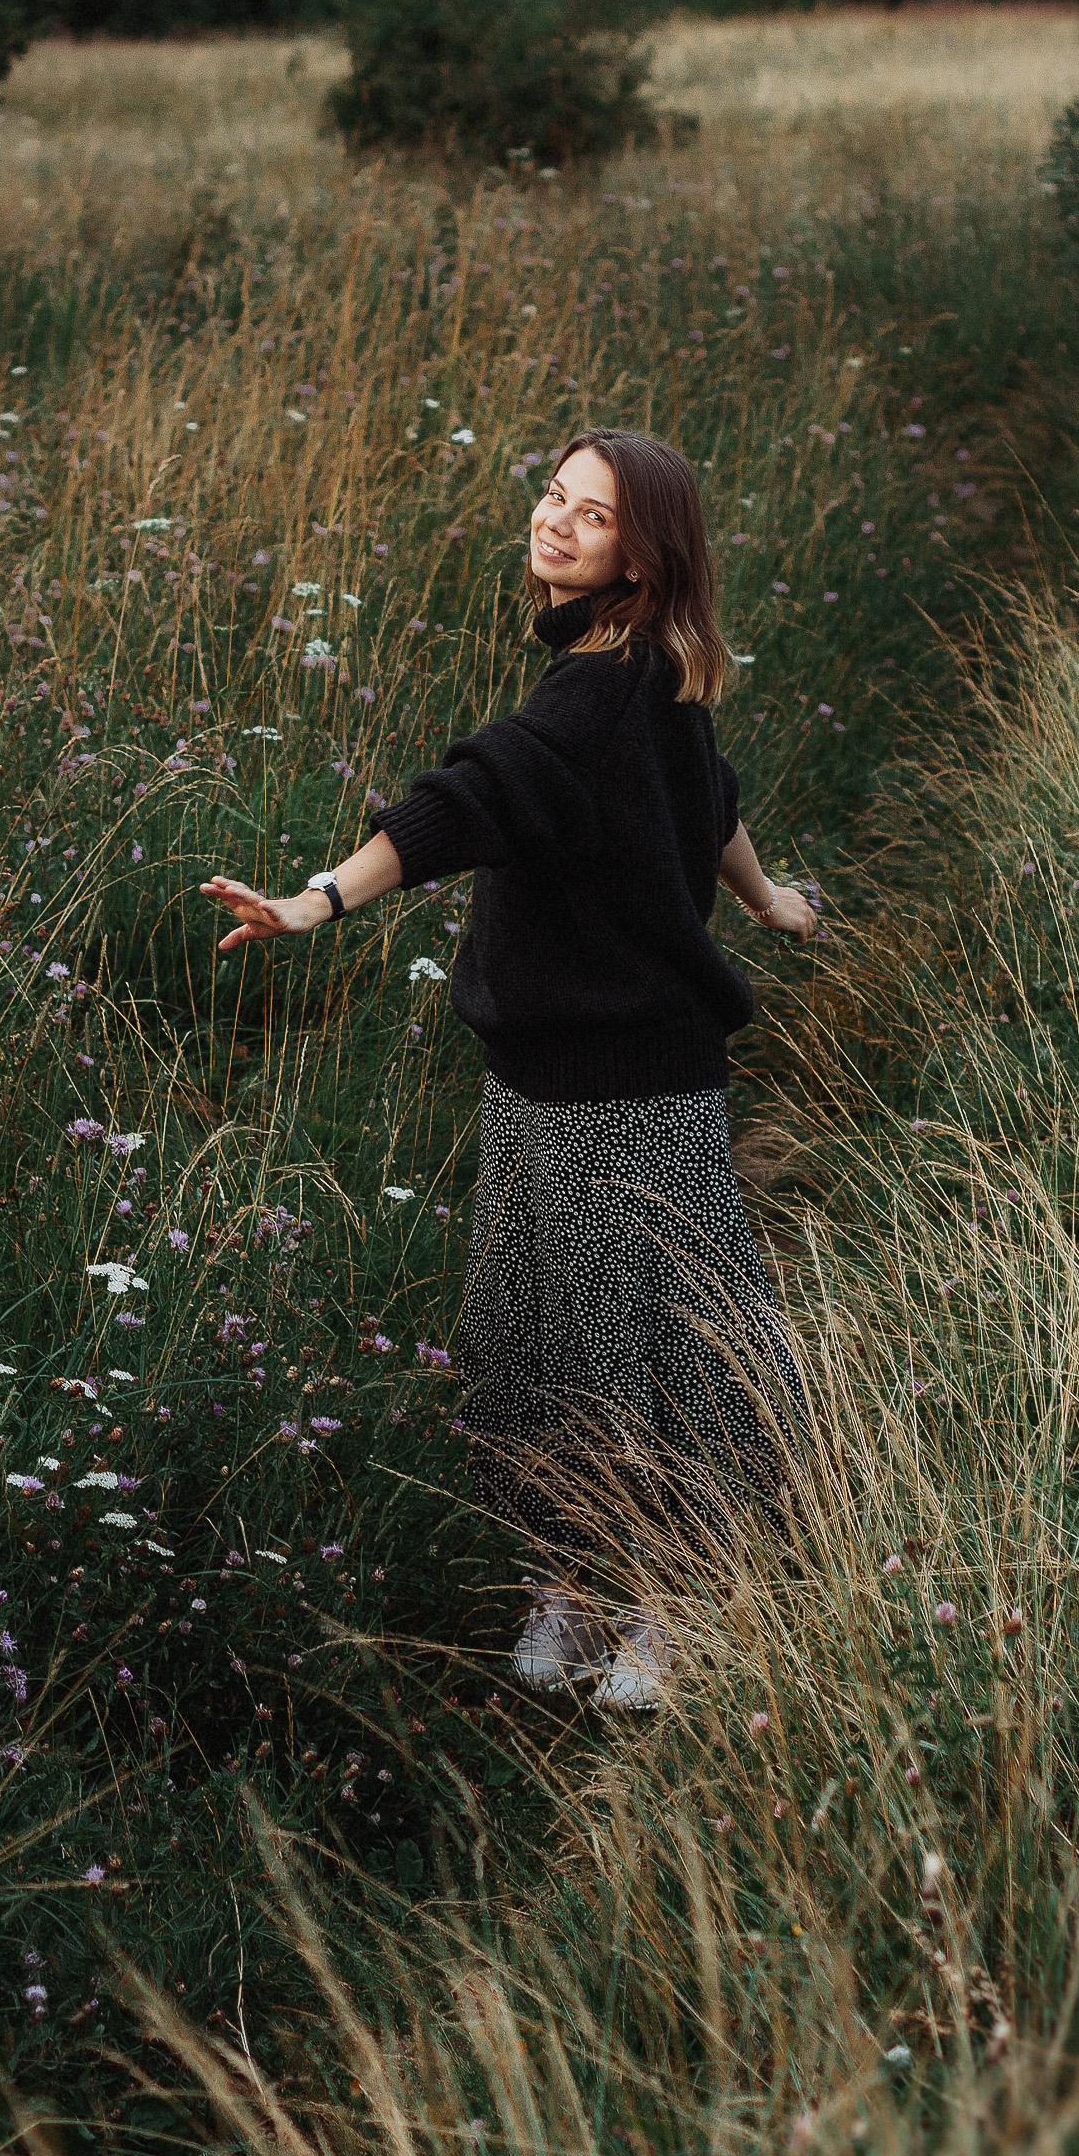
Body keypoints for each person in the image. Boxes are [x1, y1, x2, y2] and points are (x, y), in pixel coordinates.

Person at [201, 429, 818, 1710]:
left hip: (629, 1087)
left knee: (639, 1347)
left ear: (639, 561)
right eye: (553, 497)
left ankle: (667, 1604)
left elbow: (470, 798)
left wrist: (317, 900)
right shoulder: (649, 671)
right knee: (539, 1337)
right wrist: (763, 901)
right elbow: (707, 800)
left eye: (589, 518)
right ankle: (569, 1582)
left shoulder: (593, 695)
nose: (554, 524)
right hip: (548, 1082)